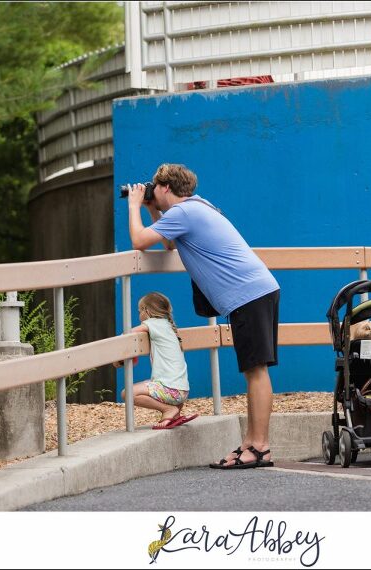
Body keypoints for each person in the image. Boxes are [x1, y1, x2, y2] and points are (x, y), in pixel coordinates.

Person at [126, 163, 280, 469]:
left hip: (248, 295)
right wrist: (152, 210)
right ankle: (250, 443)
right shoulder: (196, 207)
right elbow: (169, 242)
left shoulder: (184, 213)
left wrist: (133, 206)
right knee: (253, 370)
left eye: (154, 188)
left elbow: (139, 241)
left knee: (257, 371)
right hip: (254, 292)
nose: (150, 192)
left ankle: (260, 448)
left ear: (165, 188)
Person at [115, 291, 198, 430]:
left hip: (169, 390)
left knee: (127, 393)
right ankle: (174, 412)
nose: (139, 315)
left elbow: (126, 335)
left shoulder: (153, 323)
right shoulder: (168, 326)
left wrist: (118, 358)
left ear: (146, 311)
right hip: (182, 391)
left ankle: (167, 410)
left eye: (139, 311)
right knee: (145, 385)